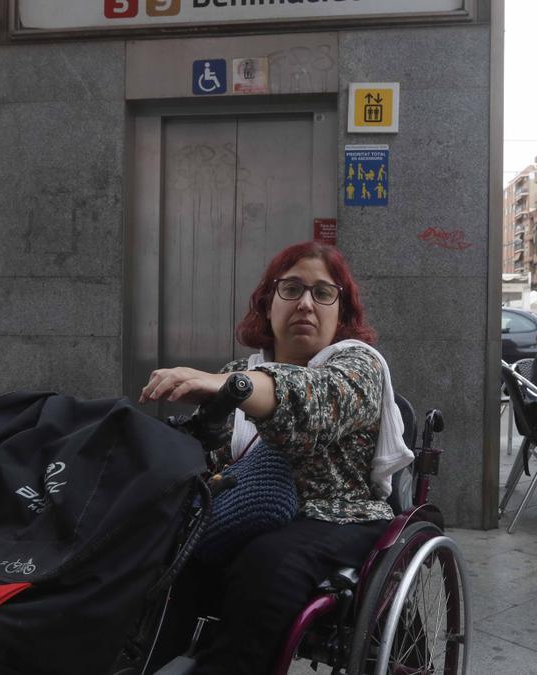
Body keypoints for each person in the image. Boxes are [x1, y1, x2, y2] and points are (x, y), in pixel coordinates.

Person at [140, 241, 409, 674]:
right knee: (170, 549)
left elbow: (312, 402)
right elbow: (204, 451)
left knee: (269, 561)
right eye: (291, 289)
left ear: (341, 313)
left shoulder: (359, 365)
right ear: (268, 304)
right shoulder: (237, 369)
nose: (306, 303)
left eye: (323, 293)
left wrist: (233, 388)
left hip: (339, 517)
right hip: (243, 509)